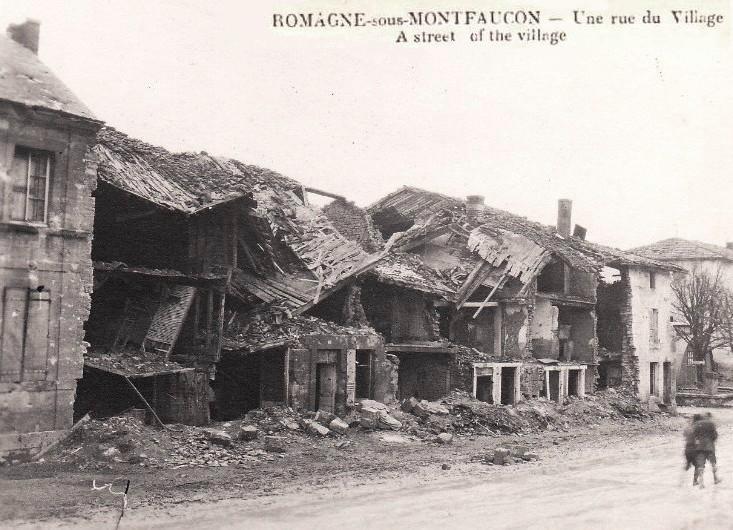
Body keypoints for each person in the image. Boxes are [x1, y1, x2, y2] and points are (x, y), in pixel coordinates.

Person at [691, 411, 721, 487]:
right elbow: (715, 435)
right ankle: (715, 479)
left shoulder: (696, 424)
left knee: (701, 464)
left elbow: (694, 436)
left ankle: (701, 482)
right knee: (713, 463)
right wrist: (712, 441)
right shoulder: (711, 424)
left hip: (700, 447)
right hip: (709, 446)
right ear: (709, 417)